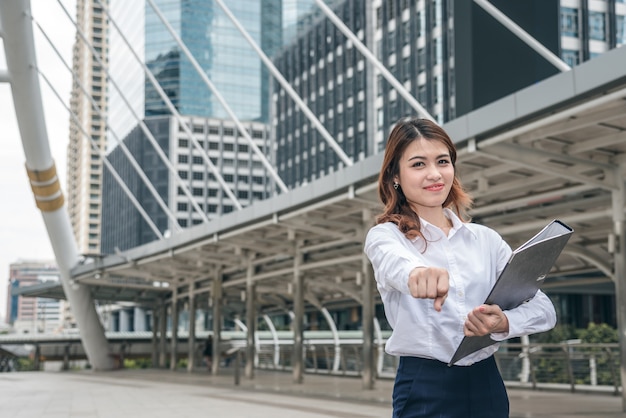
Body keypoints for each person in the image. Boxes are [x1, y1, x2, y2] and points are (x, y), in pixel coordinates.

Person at [364, 117, 557, 418]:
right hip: (424, 385)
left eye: (442, 161)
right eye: (418, 164)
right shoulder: (386, 236)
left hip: (487, 383)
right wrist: (417, 275)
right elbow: (395, 264)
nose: (434, 174)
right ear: (395, 176)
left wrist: (502, 322)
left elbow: (544, 309)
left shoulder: (486, 240)